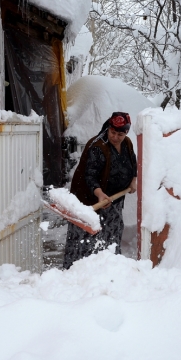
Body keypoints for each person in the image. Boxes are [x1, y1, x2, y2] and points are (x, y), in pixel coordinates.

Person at [63, 112, 137, 269]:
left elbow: (133, 162)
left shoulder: (127, 143)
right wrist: (99, 194)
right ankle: (77, 272)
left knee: (111, 236)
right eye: (113, 132)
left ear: (126, 133)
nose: (116, 137)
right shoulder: (98, 147)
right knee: (88, 239)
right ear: (108, 128)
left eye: (120, 134)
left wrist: (133, 179)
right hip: (91, 202)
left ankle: (110, 269)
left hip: (114, 201)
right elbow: (90, 176)